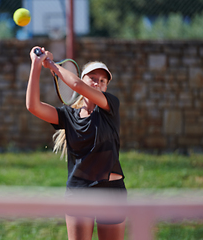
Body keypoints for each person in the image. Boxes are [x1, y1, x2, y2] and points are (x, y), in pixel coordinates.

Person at [26, 46, 126, 240]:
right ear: (84, 77)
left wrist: (52, 65)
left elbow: (79, 87)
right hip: (79, 192)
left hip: (112, 192)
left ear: (106, 87)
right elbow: (33, 106)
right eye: (93, 78)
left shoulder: (110, 106)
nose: (97, 83)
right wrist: (36, 65)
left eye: (102, 81)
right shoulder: (67, 116)